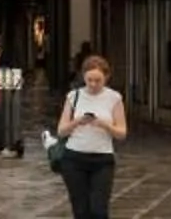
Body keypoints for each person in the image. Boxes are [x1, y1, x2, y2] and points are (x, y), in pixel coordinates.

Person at [54, 53, 126, 219]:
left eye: (98, 80)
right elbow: (61, 130)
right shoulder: (73, 96)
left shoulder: (114, 98)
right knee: (81, 211)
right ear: (83, 77)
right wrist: (77, 121)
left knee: (99, 210)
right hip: (74, 158)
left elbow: (122, 133)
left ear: (106, 77)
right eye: (89, 80)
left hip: (103, 159)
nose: (93, 84)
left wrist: (105, 125)